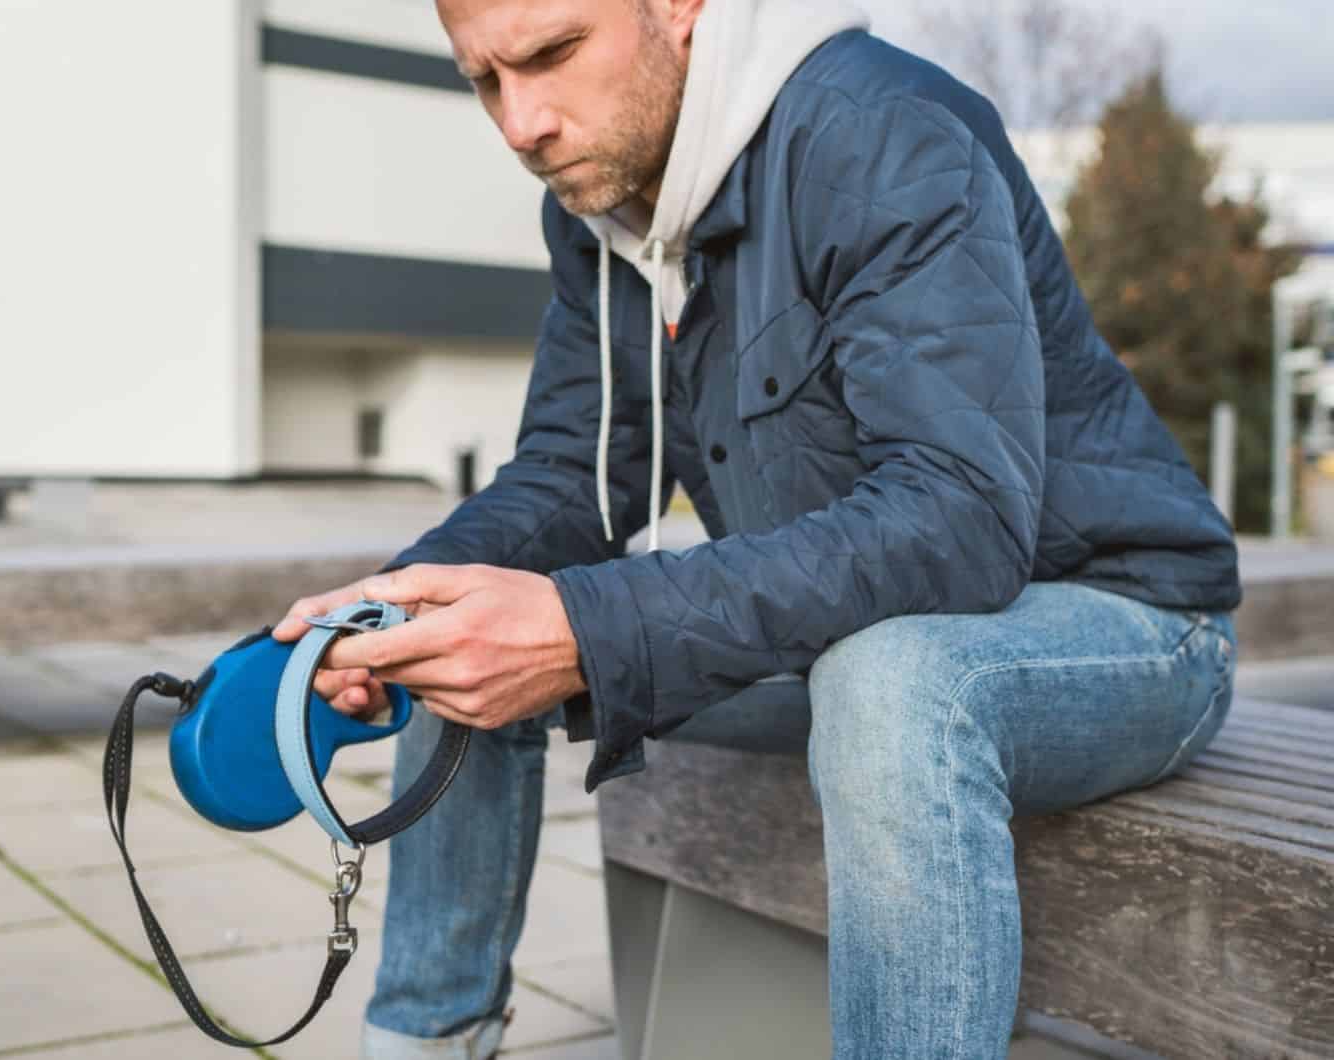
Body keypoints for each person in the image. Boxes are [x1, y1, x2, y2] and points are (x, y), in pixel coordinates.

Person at [269, 1, 1241, 1056]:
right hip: (850, 627)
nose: (521, 123)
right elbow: (573, 477)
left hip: (1123, 622)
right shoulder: (604, 206)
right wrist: (396, 599)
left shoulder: (880, 134)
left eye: (551, 53)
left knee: (893, 682)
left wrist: (589, 625)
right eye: (484, 80)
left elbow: (957, 516)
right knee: (454, 621)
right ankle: (424, 1041)